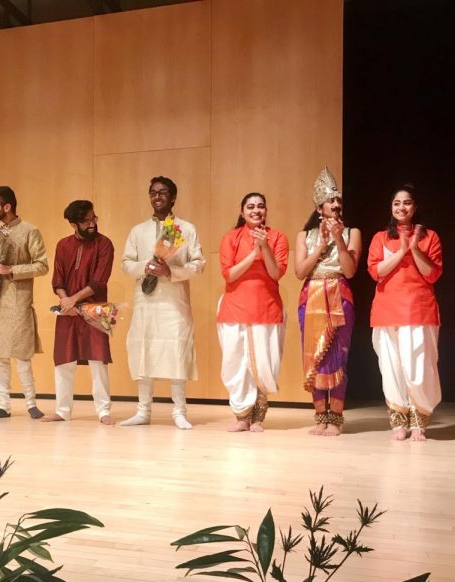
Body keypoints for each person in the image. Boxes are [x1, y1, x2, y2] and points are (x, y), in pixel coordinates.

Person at [120, 176, 206, 429]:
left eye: (163, 193)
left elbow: (198, 263)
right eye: (153, 192)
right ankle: (143, 411)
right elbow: (126, 263)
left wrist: (171, 272)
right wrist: (144, 266)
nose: (157, 197)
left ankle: (179, 412)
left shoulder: (185, 229)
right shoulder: (138, 231)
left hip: (173, 300)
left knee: (176, 351)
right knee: (143, 350)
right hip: (145, 302)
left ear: (173, 198)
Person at [367, 185, 443, 441]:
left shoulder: (429, 236)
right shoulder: (380, 238)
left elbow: (432, 274)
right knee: (391, 368)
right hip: (387, 309)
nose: (402, 207)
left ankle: (419, 420)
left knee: (418, 367)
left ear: (415, 207)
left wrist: (414, 248)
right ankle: (399, 421)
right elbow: (376, 272)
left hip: (419, 309)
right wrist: (400, 250)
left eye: (407, 202)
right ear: (391, 208)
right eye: (397, 203)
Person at [294, 167, 362, 436]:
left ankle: (336, 417)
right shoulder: (304, 236)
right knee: (314, 359)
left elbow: (350, 270)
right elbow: (300, 272)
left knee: (338, 358)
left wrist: (337, 239)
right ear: (319, 206)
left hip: (339, 293)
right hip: (310, 296)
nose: (336, 204)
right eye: (331, 200)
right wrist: (321, 245)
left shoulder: (351, 232)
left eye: (338, 200)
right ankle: (320, 416)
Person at [217, 193, 289, 431]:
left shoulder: (278, 237)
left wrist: (265, 246)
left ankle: (258, 417)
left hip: (266, 308)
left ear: (266, 211)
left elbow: (275, 273)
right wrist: (253, 254)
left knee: (264, 364)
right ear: (242, 212)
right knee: (235, 364)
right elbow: (229, 275)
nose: (256, 210)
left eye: (260, 206)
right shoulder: (230, 238)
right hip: (234, 309)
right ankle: (241, 416)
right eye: (250, 207)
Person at [42, 200, 115, 424]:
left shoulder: (105, 244)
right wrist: (66, 302)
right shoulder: (63, 245)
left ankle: (103, 412)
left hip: (96, 308)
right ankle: (62, 411)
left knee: (98, 360)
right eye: (86, 221)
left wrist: (73, 300)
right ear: (74, 225)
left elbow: (99, 281)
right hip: (68, 310)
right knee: (63, 360)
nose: (93, 224)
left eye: (94, 218)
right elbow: (58, 279)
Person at [0, 186, 48, 420]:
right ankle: (3, 405)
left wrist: (11, 269)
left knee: (22, 355)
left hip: (18, 300)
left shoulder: (30, 231)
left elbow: (42, 265)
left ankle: (31, 403)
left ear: (7, 207)